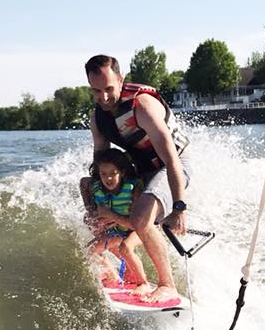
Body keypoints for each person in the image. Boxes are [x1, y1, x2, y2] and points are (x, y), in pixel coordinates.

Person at [80, 54, 190, 304]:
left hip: (174, 165)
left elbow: (172, 159)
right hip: (143, 170)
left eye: (109, 88)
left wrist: (179, 207)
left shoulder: (143, 107)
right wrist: (98, 209)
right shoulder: (98, 119)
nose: (104, 97)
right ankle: (124, 267)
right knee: (89, 189)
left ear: (120, 80)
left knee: (140, 217)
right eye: (96, 91)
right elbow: (100, 164)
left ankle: (167, 285)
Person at [87, 149, 148, 291]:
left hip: (139, 229)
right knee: (92, 250)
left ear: (122, 173)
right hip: (119, 230)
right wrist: (91, 213)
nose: (108, 179)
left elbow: (137, 222)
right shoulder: (98, 188)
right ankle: (113, 275)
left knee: (125, 248)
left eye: (113, 174)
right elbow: (84, 182)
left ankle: (143, 283)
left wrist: (111, 216)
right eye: (103, 174)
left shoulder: (133, 188)